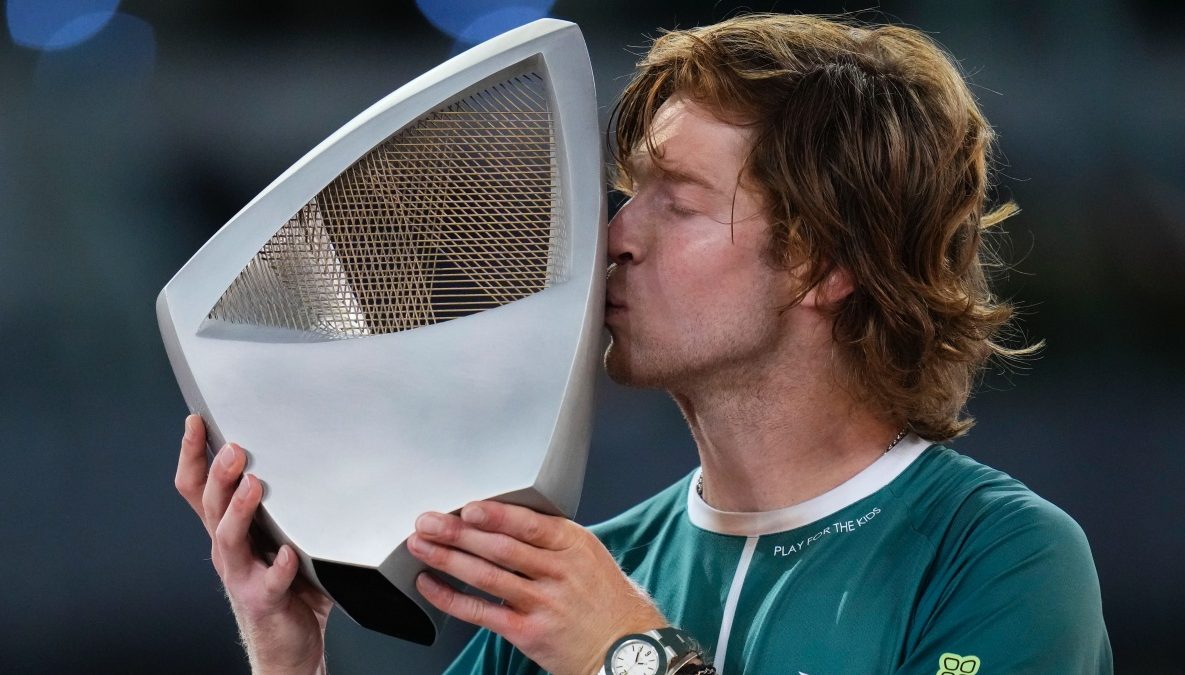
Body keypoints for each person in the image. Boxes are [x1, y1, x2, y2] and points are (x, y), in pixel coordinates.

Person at [174, 13, 1112, 675]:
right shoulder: (576, 578)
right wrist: (288, 656)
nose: (616, 234)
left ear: (825, 264)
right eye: (631, 193)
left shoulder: (1002, 557)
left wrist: (627, 657)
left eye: (680, 201)